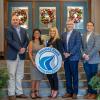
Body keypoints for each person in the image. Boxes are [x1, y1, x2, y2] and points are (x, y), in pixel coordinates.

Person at [6, 15, 29, 100]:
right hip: (12, 55)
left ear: (19, 21)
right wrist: (19, 48)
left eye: (16, 19)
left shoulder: (23, 30)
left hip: (21, 55)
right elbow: (10, 41)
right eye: (13, 20)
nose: (15, 21)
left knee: (20, 75)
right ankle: (11, 93)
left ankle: (19, 92)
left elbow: (27, 40)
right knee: (11, 75)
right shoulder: (9, 30)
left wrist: (24, 48)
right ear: (11, 21)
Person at [61, 20, 82, 99]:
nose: (69, 25)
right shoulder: (63, 34)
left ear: (73, 25)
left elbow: (78, 44)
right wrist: (64, 53)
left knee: (74, 75)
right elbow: (61, 45)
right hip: (66, 58)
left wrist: (70, 53)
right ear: (66, 25)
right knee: (67, 75)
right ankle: (69, 92)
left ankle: (75, 93)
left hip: (74, 57)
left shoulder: (77, 33)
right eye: (68, 24)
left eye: (71, 24)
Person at [82, 21, 100, 99]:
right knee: (88, 76)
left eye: (90, 25)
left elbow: (97, 47)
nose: (89, 26)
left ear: (93, 27)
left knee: (93, 77)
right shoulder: (83, 35)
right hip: (85, 60)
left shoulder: (97, 35)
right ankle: (89, 92)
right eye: (87, 25)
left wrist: (88, 55)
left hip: (93, 59)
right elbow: (81, 47)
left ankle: (94, 93)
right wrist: (83, 55)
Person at [47, 27, 63, 98]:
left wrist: (61, 61)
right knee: (49, 76)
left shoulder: (58, 40)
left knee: (54, 76)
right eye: (51, 31)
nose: (52, 32)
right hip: (48, 61)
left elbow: (60, 50)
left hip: (55, 61)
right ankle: (52, 89)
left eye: (53, 31)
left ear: (56, 32)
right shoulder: (49, 40)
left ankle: (56, 90)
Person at [28, 29, 45, 99]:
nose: (37, 34)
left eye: (38, 33)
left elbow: (45, 52)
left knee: (39, 78)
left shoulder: (42, 43)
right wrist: (33, 62)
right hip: (34, 62)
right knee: (34, 78)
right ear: (33, 34)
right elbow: (29, 53)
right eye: (35, 33)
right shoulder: (31, 42)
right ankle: (32, 92)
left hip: (40, 63)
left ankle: (37, 92)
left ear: (40, 34)